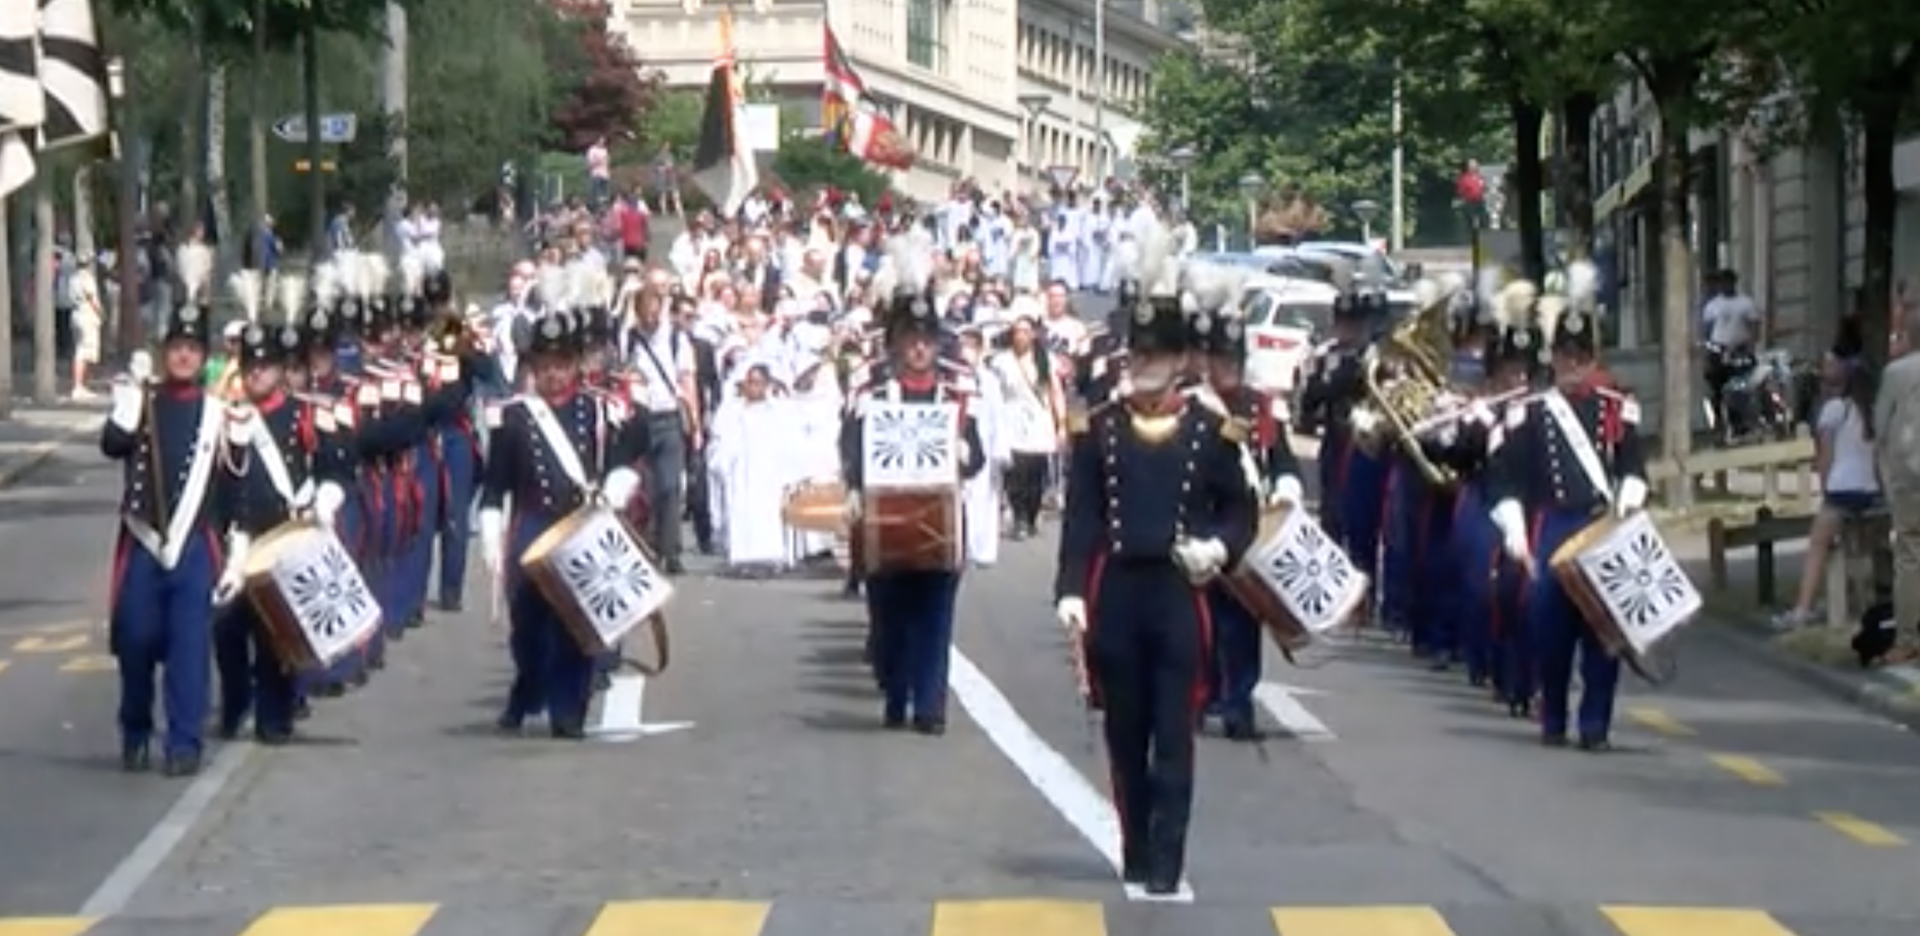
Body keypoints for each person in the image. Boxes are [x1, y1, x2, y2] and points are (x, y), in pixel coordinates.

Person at [1053, 265, 1257, 895]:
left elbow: (1241, 510)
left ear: (1179, 360)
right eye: (1137, 352)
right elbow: (1082, 518)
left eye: (1157, 353)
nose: (1143, 363)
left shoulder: (1210, 430)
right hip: (1116, 593)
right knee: (1124, 732)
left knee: (1175, 731)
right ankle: (1135, 844)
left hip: (1176, 595)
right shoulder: (1100, 429)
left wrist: (1218, 548)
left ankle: (1168, 857)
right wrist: (1068, 591)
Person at [1484, 262, 1648, 751]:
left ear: (1592, 358)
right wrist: (1514, 530)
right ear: (1552, 358)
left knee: (1603, 631)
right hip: (1551, 524)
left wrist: (1627, 506)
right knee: (1550, 629)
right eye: (1564, 356)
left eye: (1580, 357)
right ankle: (1553, 715)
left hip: (1599, 524)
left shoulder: (1616, 406)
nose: (1572, 366)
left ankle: (1595, 723)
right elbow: (1505, 477)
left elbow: (1634, 466)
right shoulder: (1531, 412)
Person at [479, 312, 650, 739]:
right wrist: (490, 530)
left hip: (581, 526)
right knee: (529, 631)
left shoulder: (597, 409)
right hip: (531, 529)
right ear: (533, 369)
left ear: (575, 365)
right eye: (544, 366)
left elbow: (622, 461)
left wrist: (614, 489)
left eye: (561, 364)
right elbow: (496, 484)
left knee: (575, 625)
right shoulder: (513, 417)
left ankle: (568, 709)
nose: (553, 374)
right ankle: (527, 690)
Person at [101, 288, 237, 776]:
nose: (183, 355)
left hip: (194, 542)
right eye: (176, 346)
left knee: (188, 648)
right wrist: (126, 403)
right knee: (134, 639)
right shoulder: (143, 402)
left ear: (203, 357)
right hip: (143, 539)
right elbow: (112, 446)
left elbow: (230, 489)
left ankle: (184, 742)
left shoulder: (218, 414)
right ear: (164, 354)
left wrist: (234, 550)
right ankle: (135, 727)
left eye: (192, 348)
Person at [840, 282, 986, 735]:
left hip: (938, 516)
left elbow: (977, 455)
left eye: (927, 338)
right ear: (898, 341)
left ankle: (930, 706)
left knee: (936, 613)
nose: (920, 348)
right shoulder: (873, 388)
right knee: (889, 613)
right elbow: (851, 443)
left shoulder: (958, 388)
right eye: (911, 338)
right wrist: (854, 487)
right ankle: (897, 691)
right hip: (885, 516)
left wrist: (964, 451)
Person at [213, 322, 350, 744]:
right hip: (238, 537)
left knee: (276, 633)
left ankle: (276, 714)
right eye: (250, 366)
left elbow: (334, 468)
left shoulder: (305, 413)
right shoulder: (226, 417)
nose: (257, 374)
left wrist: (325, 500)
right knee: (227, 630)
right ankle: (235, 706)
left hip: (285, 533)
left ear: (280, 369)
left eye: (265, 366)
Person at [1190, 302, 1302, 741]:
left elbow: (1283, 460)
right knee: (1201, 623)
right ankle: (1200, 698)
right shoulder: (1193, 405)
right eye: (1220, 360)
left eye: (1234, 361)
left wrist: (1286, 489)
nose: (1228, 370)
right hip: (1200, 524)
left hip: (1246, 529)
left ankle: (1239, 703)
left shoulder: (1262, 409)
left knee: (1243, 621)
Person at [1775, 352, 1882, 628]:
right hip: (1869, 490)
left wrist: (1823, 487)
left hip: (1841, 489)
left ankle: (1803, 608)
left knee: (1818, 545)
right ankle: (1859, 601)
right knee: (1859, 547)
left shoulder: (1835, 409)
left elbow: (1825, 456)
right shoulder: (1874, 411)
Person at [709, 362, 801, 574]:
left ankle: (771, 559)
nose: (754, 388)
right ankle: (744, 559)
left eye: (759, 383)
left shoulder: (779, 411)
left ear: (767, 385)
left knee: (768, 514)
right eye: (750, 383)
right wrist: (724, 461)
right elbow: (720, 440)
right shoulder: (732, 411)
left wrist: (789, 476)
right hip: (741, 472)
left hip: (769, 474)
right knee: (743, 512)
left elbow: (789, 444)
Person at [1874, 305, 1920, 638]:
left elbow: (1880, 425)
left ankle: (1908, 633)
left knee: (1909, 552)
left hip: (1909, 471)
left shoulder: (1896, 373)